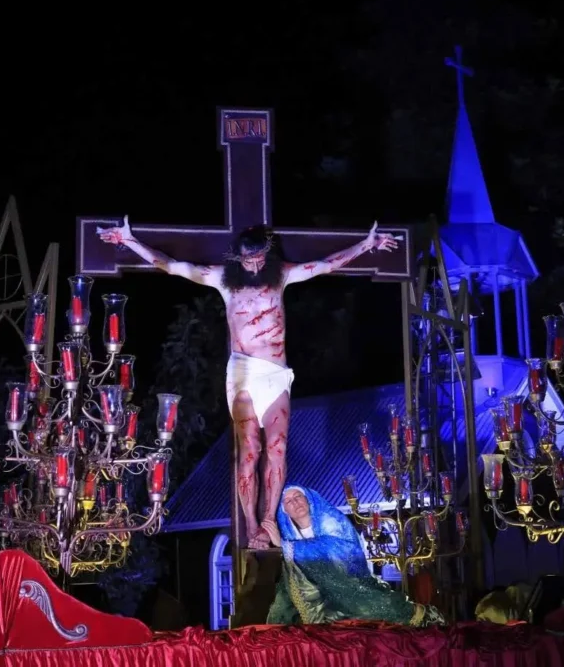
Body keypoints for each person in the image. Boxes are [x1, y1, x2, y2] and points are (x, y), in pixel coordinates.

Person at [97, 218, 399, 549]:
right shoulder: (225, 281)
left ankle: (269, 519)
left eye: (258, 259)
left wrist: (366, 245)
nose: (253, 265)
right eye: (247, 259)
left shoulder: (280, 275)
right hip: (242, 375)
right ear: (237, 257)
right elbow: (173, 267)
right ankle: (251, 524)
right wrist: (130, 241)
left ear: (266, 256)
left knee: (278, 449)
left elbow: (324, 266)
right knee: (249, 451)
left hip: (276, 373)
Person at [262, 485, 444, 626]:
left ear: (308, 498)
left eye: (298, 496)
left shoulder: (332, 520)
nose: (295, 503)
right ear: (284, 511)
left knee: (379, 607)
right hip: (315, 597)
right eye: (288, 501)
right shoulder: (288, 536)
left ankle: (422, 615)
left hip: (350, 586)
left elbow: (341, 552)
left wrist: (287, 547)